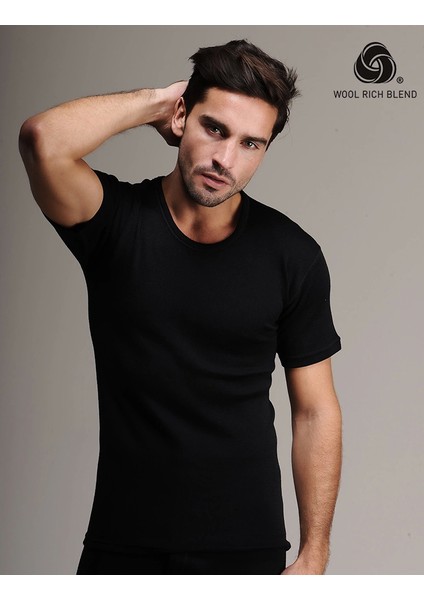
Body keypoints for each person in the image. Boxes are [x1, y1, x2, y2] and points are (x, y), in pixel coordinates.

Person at [19, 39, 342, 575]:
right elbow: (41, 139)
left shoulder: (293, 256)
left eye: (251, 143)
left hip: (248, 550)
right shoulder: (115, 224)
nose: (225, 160)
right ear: (182, 117)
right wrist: (156, 102)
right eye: (214, 128)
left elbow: (315, 410)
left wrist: (315, 554)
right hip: (123, 544)